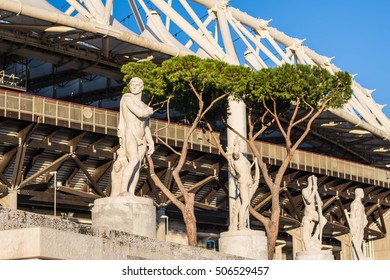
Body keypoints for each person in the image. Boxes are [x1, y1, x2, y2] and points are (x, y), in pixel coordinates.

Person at [112, 77, 155, 196]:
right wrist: (150, 111)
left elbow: (145, 126)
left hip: (142, 138)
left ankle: (131, 192)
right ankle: (123, 190)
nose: (134, 87)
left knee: (137, 165)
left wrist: (150, 141)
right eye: (132, 85)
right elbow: (140, 113)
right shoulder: (127, 98)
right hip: (130, 133)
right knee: (134, 160)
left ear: (142, 87)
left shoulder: (143, 104)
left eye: (137, 85)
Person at [227, 136, 259, 231]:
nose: (244, 147)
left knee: (245, 204)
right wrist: (236, 143)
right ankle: (241, 226)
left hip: (248, 182)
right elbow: (235, 152)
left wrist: (256, 163)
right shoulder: (236, 157)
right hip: (243, 182)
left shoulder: (244, 158)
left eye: (244, 145)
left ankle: (241, 225)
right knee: (245, 203)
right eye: (242, 145)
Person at [301, 175, 327, 251]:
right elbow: (309, 200)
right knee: (323, 220)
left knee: (323, 221)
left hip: (313, 212)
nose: (316, 183)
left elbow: (321, 203)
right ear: (311, 181)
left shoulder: (315, 191)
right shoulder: (304, 190)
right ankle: (313, 238)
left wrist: (317, 194)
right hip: (309, 212)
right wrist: (314, 191)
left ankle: (315, 236)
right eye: (315, 181)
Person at [349, 188, 368, 260]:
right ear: (357, 193)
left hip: (361, 225)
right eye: (362, 192)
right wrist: (353, 226)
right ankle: (356, 258)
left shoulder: (361, 204)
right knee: (356, 242)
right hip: (356, 224)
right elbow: (352, 216)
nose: (363, 194)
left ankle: (358, 257)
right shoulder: (354, 203)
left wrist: (365, 220)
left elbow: (363, 215)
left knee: (359, 242)